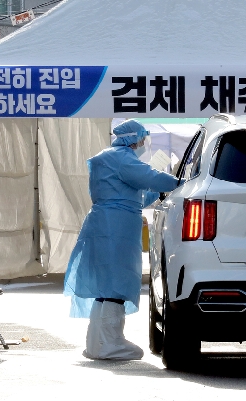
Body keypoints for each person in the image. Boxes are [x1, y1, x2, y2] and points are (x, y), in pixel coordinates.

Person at [64, 119, 178, 360]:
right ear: (132, 138)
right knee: (116, 281)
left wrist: (158, 193)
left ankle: (97, 343)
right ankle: (110, 343)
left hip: (112, 223)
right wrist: (181, 184)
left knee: (108, 283)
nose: (144, 143)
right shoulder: (120, 158)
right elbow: (151, 176)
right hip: (114, 227)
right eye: (143, 138)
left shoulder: (116, 159)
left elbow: (136, 197)